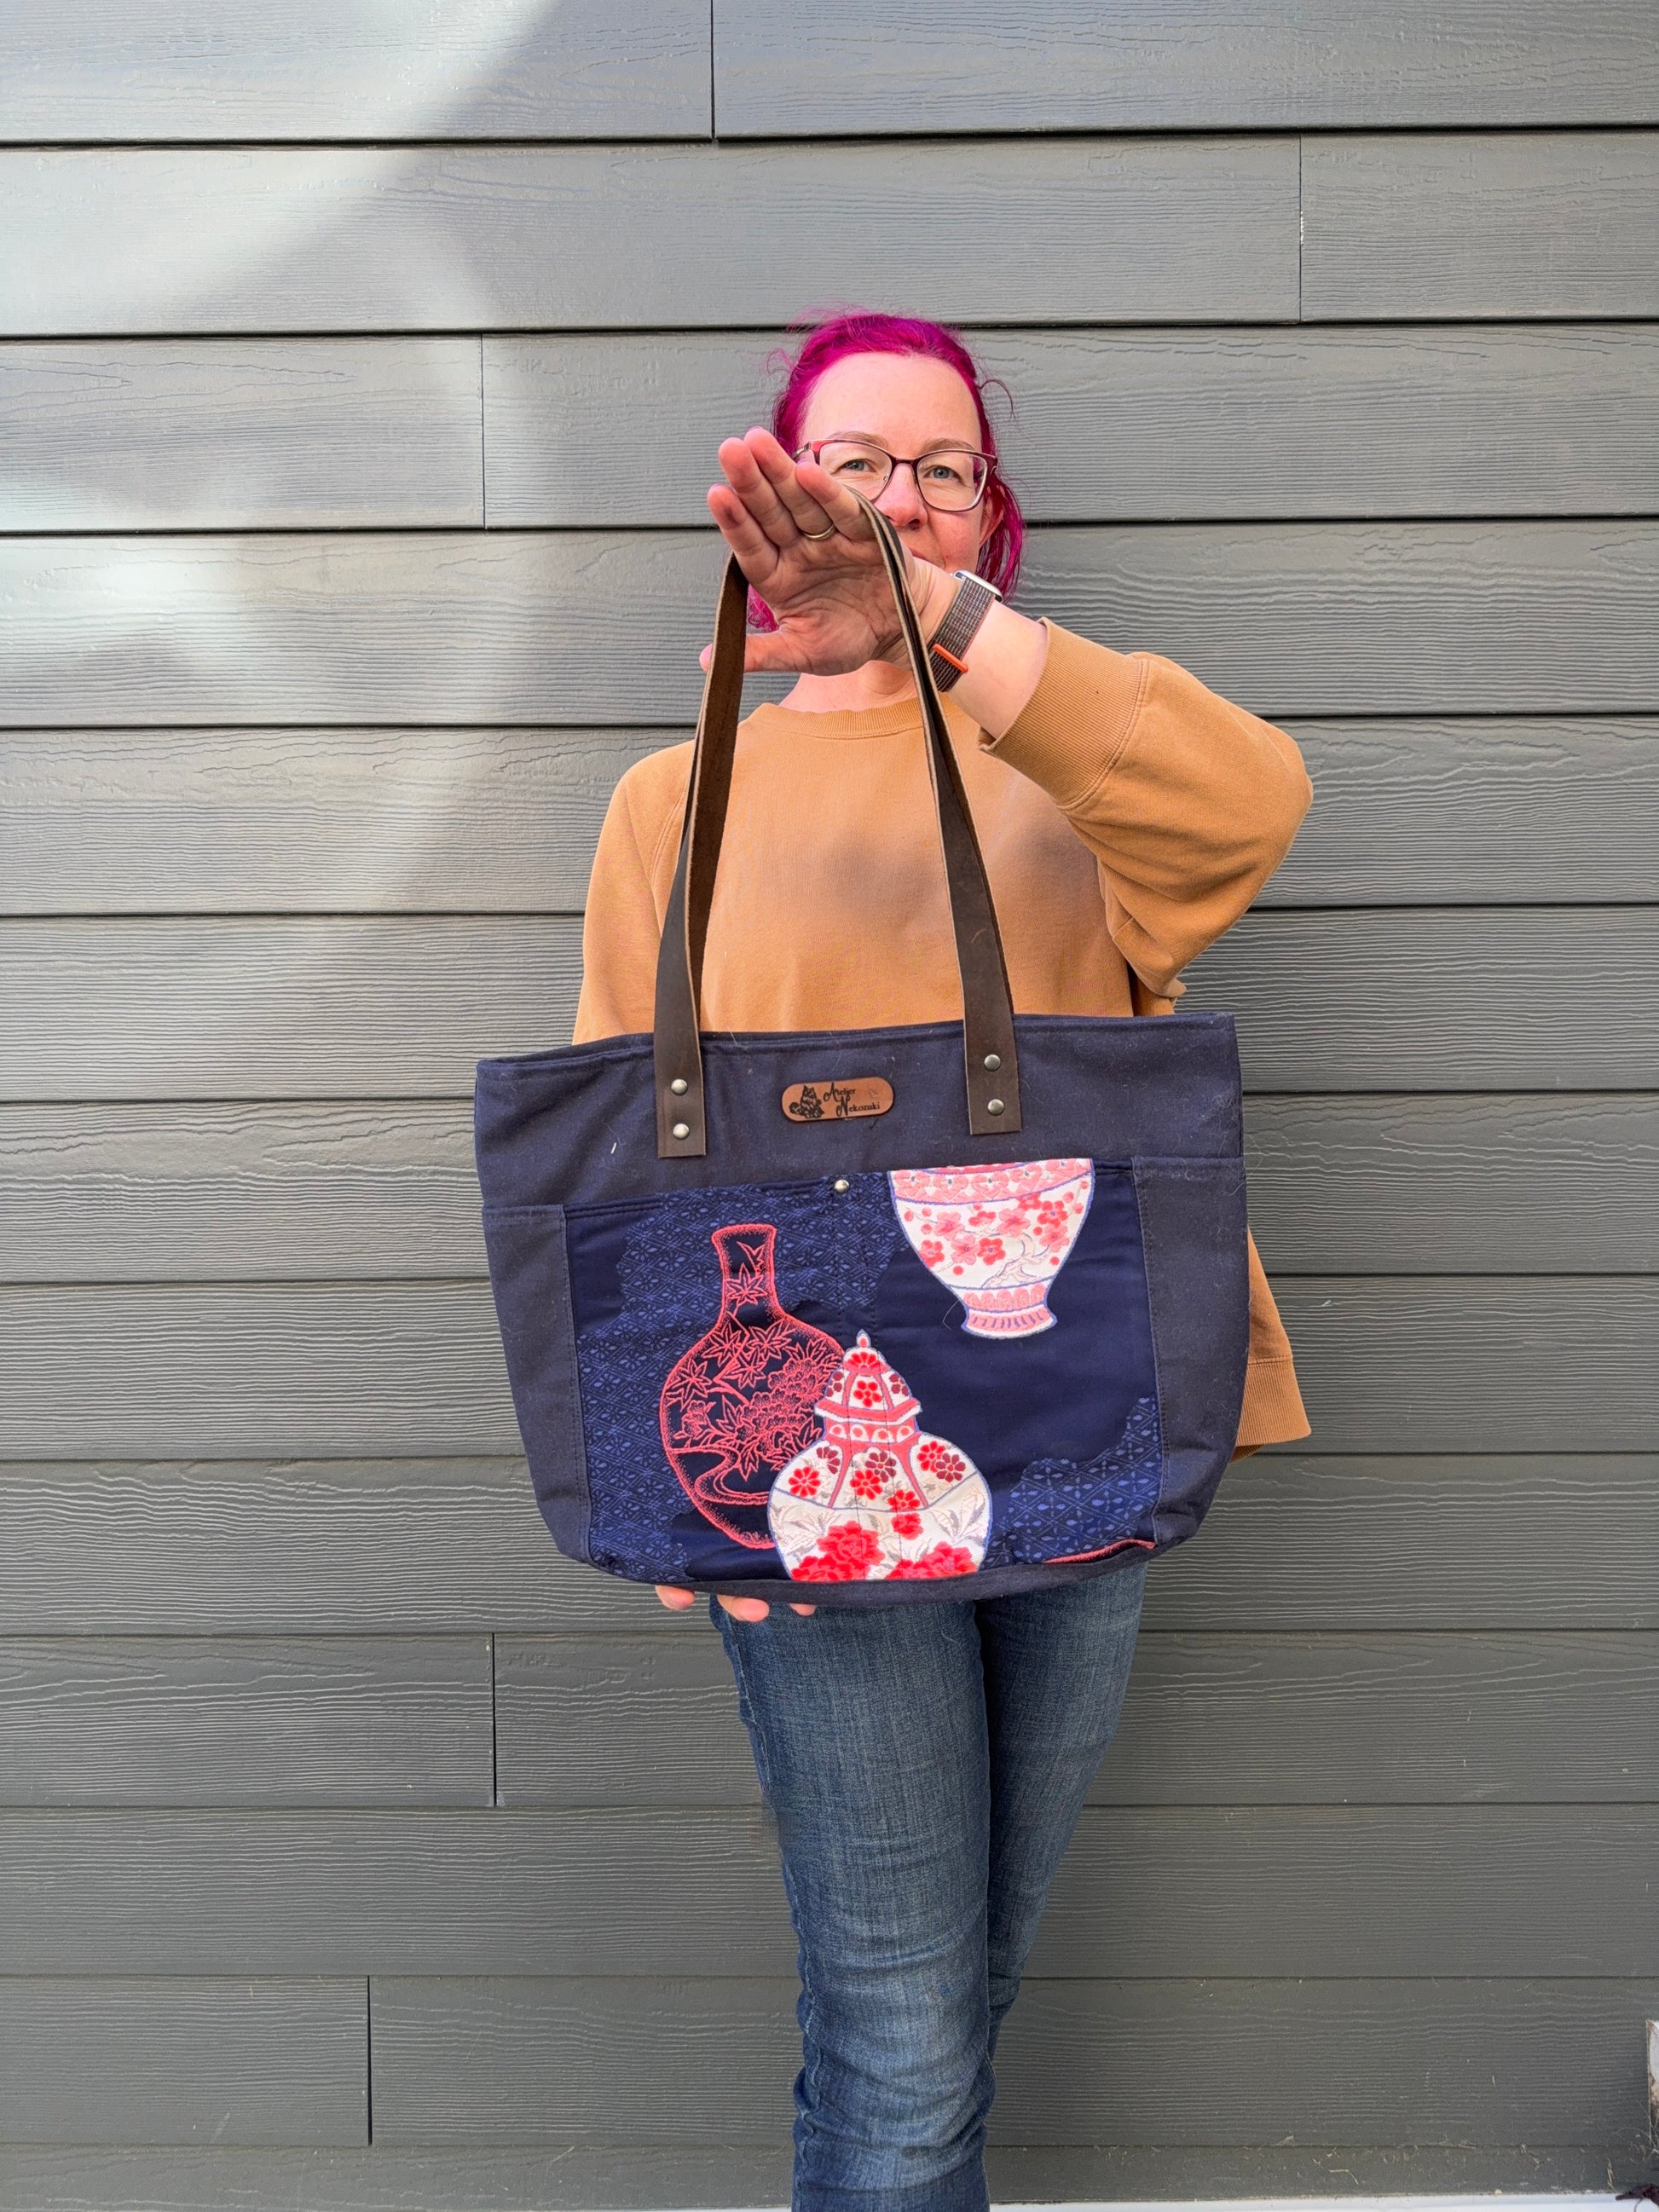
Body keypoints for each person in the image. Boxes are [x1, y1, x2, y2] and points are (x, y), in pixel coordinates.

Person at [572, 311, 1313, 2212]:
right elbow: (626, 1159)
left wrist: (949, 625)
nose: (893, 498)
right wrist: (671, 1482)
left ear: (990, 514)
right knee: (905, 2011)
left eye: (940, 469)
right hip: (820, 1453)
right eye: (853, 466)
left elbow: (1252, 804)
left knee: (955, 1978)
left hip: (1086, 1411)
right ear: (776, 499)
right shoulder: (678, 799)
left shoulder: (1061, 755)